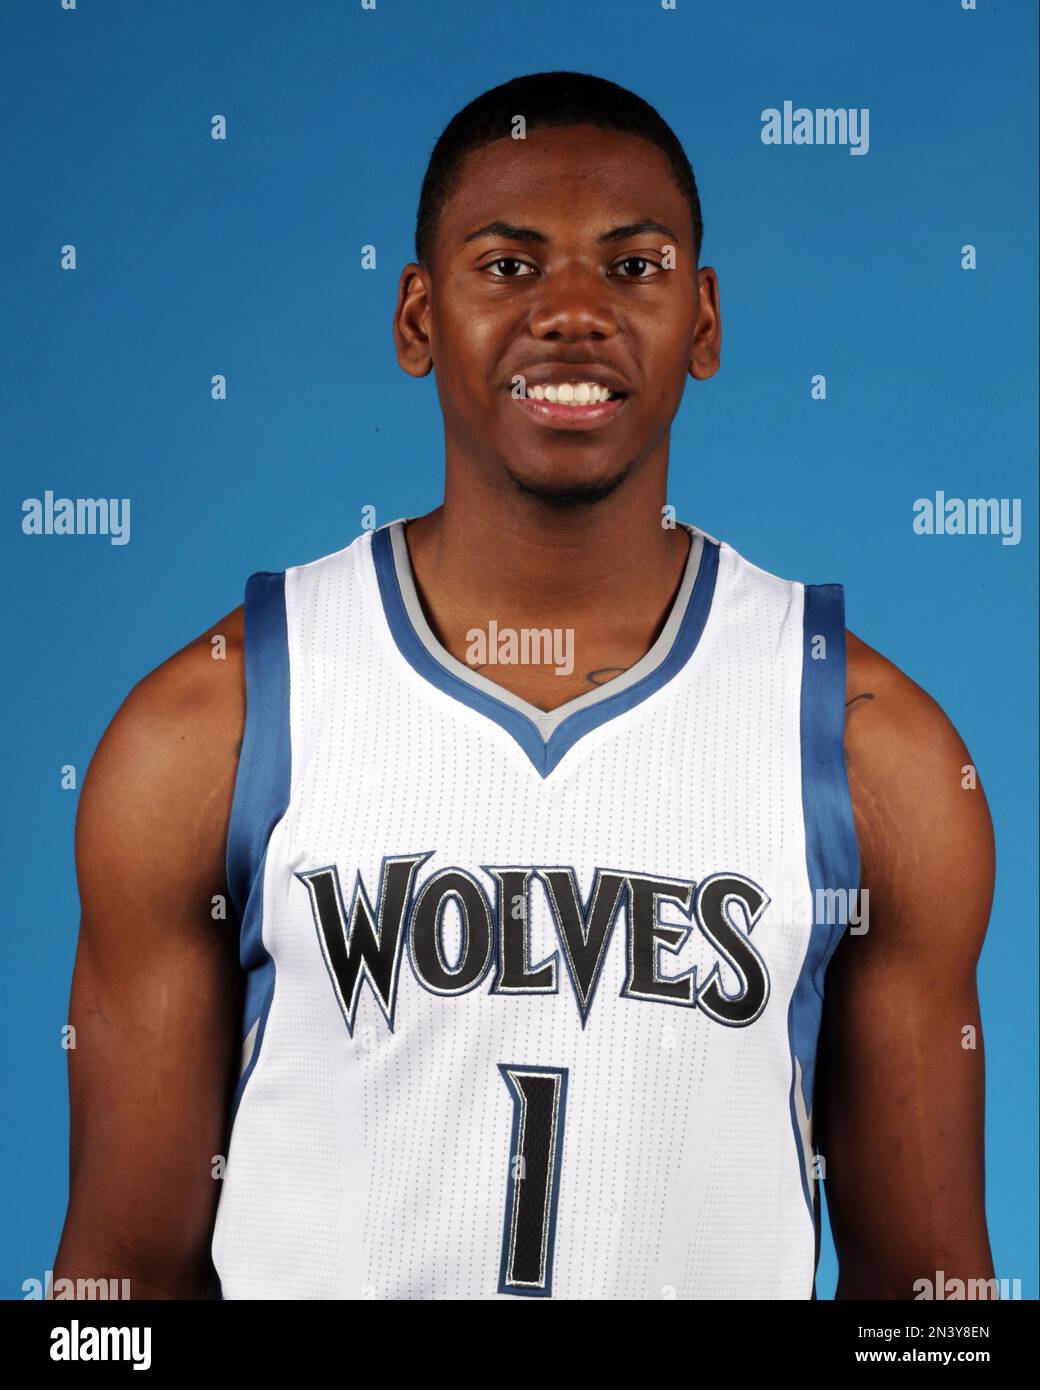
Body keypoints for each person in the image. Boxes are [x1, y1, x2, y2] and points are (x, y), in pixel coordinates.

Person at [55, 71, 996, 1300]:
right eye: (505, 265)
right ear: (415, 317)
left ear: (702, 320)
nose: (569, 313)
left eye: (632, 267)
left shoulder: (870, 746)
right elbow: (110, 1299)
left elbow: (931, 1307)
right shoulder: (212, 724)